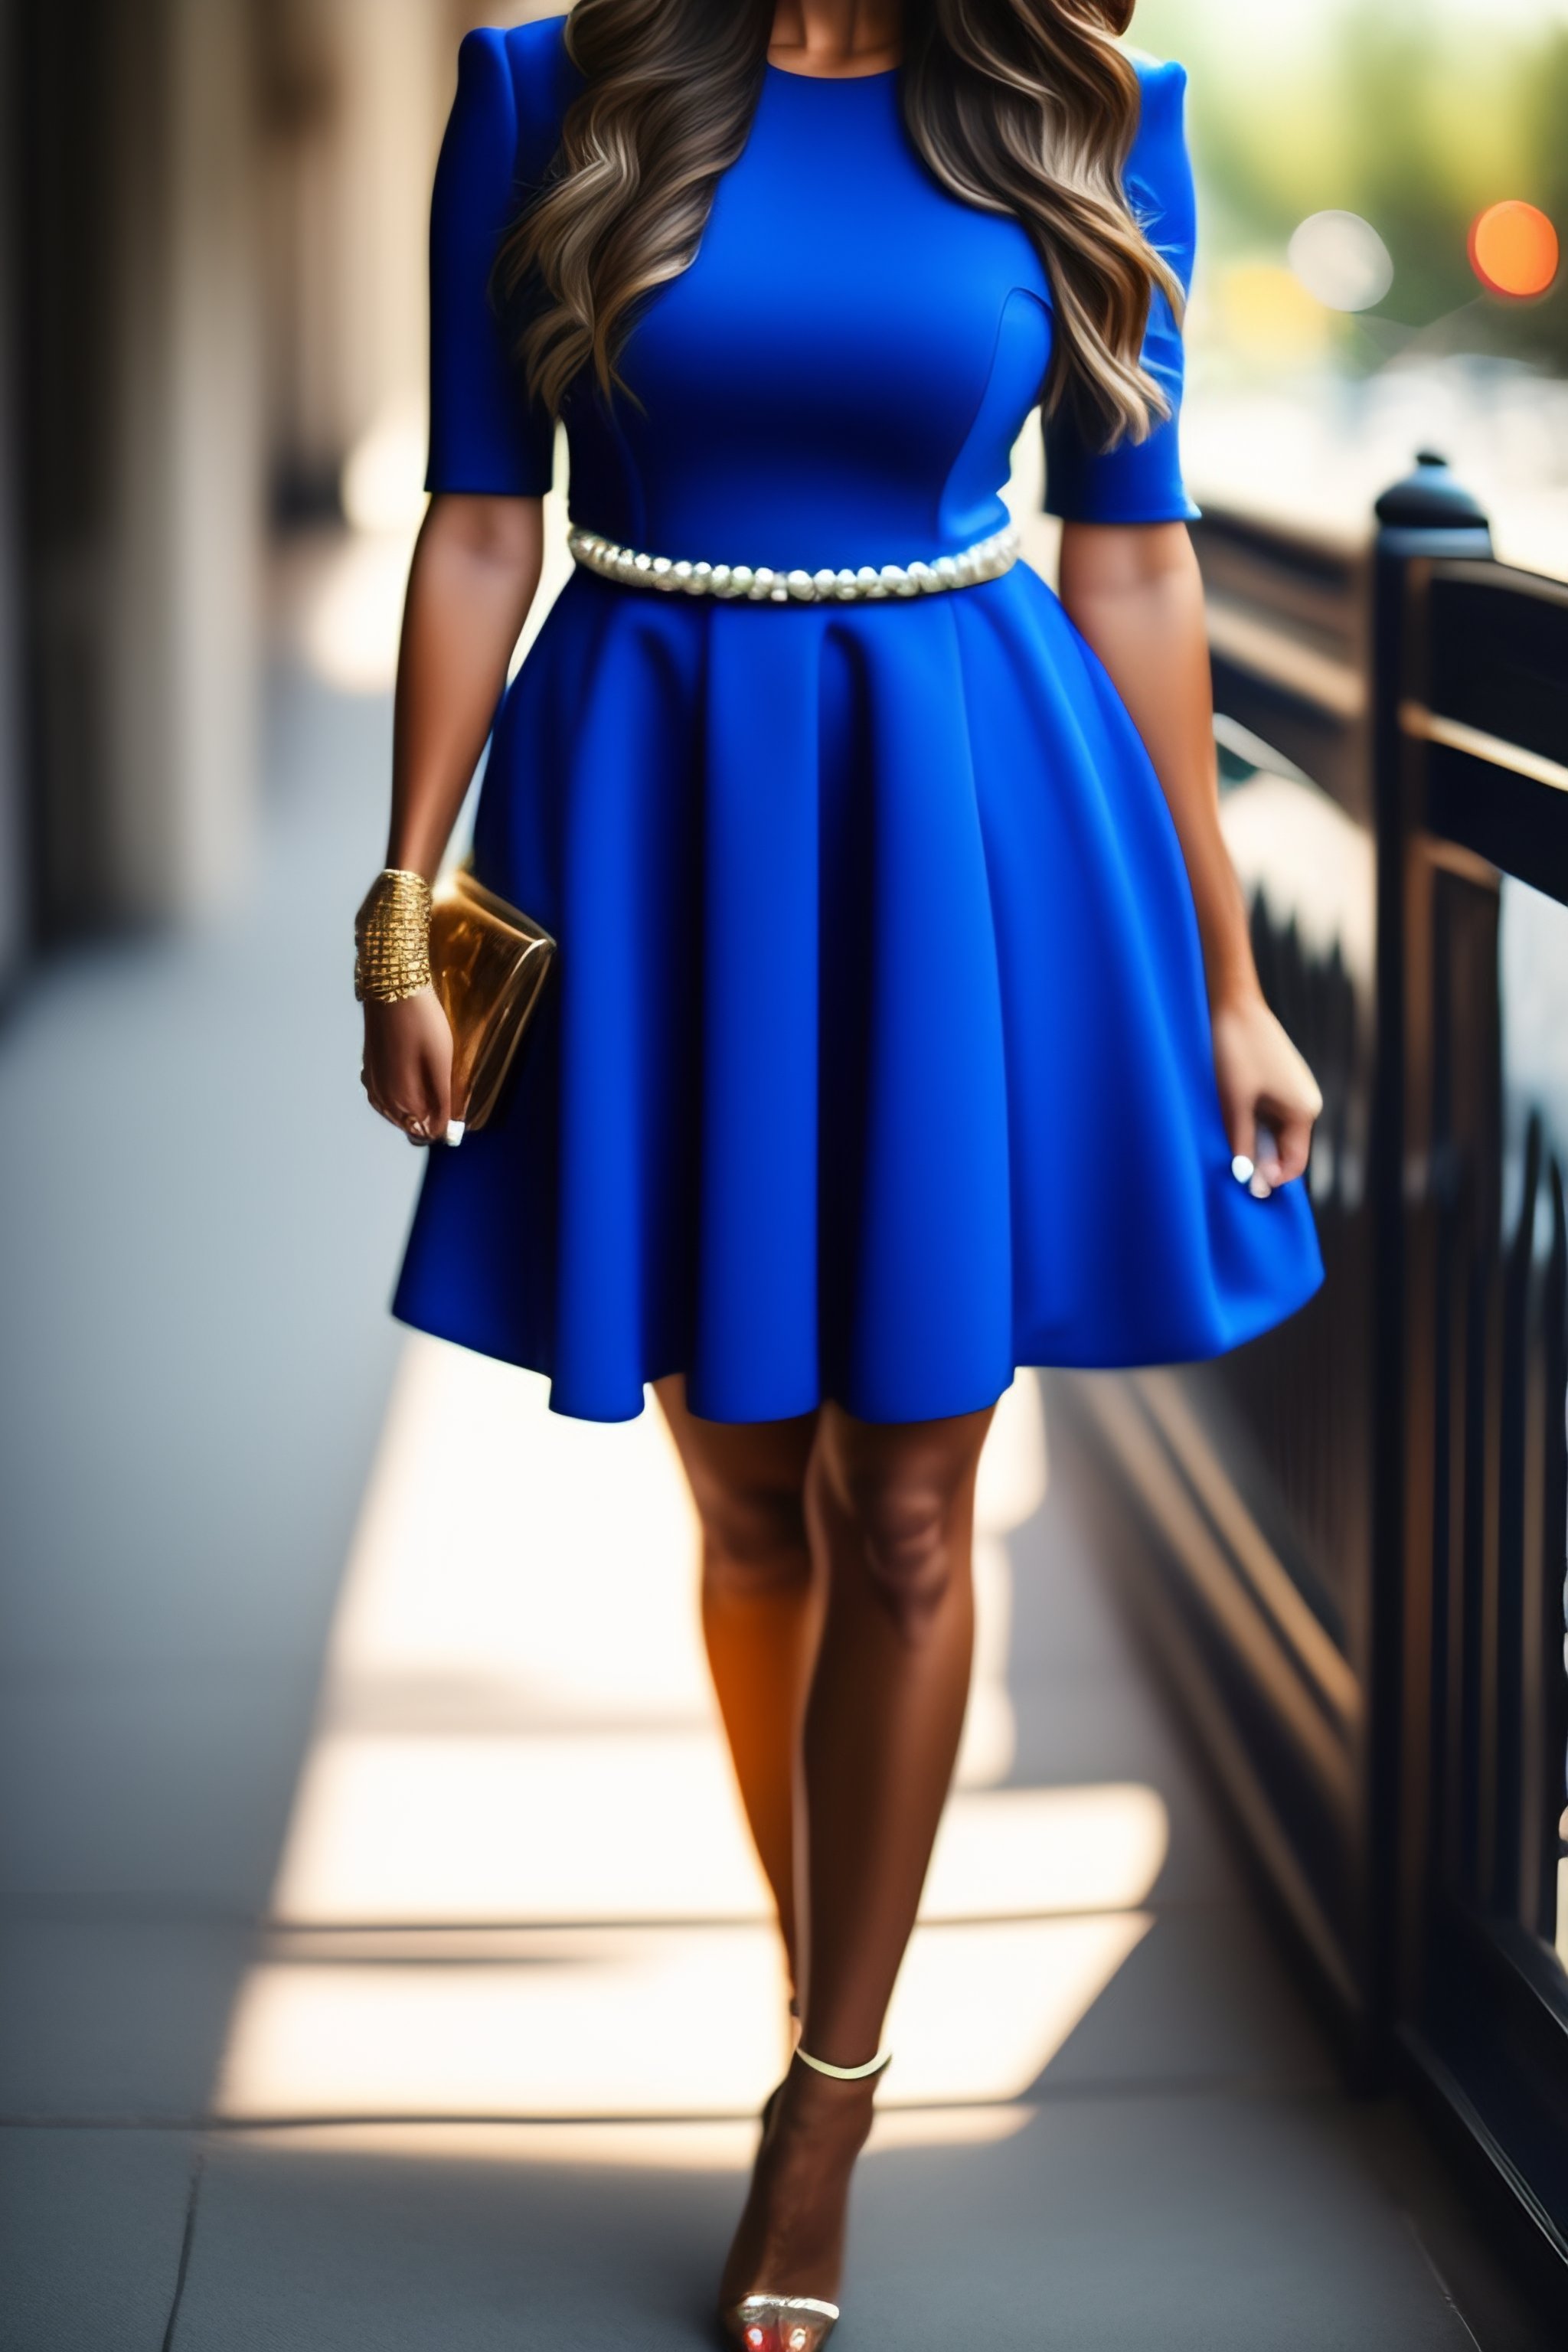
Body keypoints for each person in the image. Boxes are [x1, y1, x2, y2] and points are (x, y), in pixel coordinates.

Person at [356, 2, 1325, 2341]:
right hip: (649, 822)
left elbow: (1138, 569)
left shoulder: (1097, 115)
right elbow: (485, 521)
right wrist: (408, 908)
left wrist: (1226, 975)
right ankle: (838, 1941)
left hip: (956, 832)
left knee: (907, 1498)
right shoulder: (539, 91)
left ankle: (827, 2091)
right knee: (747, 1496)